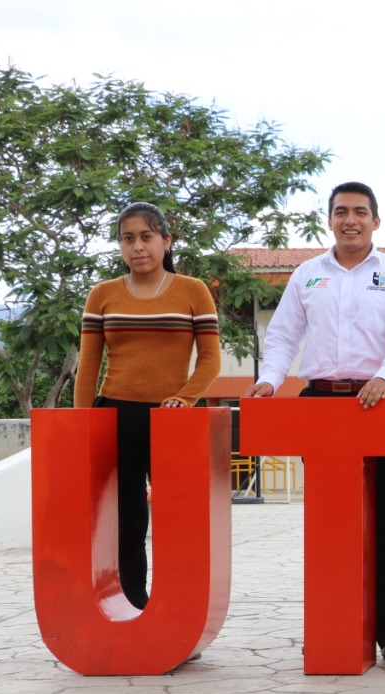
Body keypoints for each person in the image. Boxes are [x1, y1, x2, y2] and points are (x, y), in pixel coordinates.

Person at [243, 181, 385, 667]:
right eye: (341, 211)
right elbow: (281, 336)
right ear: (329, 219)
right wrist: (268, 380)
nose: (350, 220)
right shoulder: (307, 275)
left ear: (375, 221)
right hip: (320, 405)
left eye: (360, 212)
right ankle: (332, 625)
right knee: (329, 520)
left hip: (377, 405)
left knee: (384, 519)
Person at [73, 202, 221, 610]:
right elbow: (88, 367)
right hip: (114, 416)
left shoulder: (192, 290)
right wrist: (83, 424)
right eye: (127, 238)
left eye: (146, 237)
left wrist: (185, 397)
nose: (137, 247)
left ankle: (177, 613)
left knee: (177, 520)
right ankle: (134, 608)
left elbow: (210, 359)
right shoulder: (102, 294)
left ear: (166, 241)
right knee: (128, 521)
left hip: (171, 419)